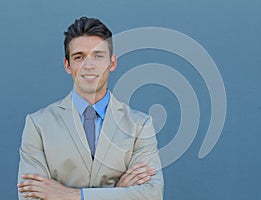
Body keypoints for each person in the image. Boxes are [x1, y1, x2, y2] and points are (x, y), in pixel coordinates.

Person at [17, 16, 164, 200]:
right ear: (67, 65)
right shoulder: (38, 125)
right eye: (79, 57)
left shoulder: (140, 125)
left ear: (112, 62)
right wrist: (119, 192)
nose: (89, 65)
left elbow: (152, 195)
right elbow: (30, 197)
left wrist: (71, 195)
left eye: (98, 56)